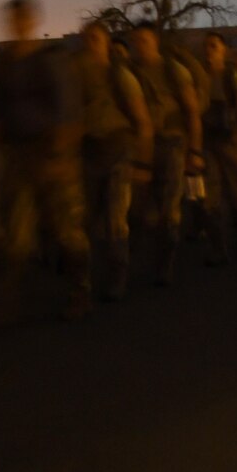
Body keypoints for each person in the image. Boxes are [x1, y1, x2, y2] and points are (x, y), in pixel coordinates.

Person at [0, 0, 89, 321]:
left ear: (33, 21)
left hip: (52, 152)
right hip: (17, 156)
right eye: (12, 19)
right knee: (16, 234)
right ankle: (7, 300)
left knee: (66, 230)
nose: (17, 25)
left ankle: (79, 290)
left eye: (23, 19)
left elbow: (69, 113)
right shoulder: (0, 66)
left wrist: (59, 158)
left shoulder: (50, 61)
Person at [76, 21, 150, 300]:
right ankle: (88, 276)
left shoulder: (119, 75)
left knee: (116, 219)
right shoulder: (80, 78)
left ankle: (119, 275)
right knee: (87, 219)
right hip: (90, 153)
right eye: (86, 39)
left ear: (106, 42)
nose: (89, 44)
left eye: (95, 38)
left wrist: (142, 164)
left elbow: (142, 122)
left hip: (118, 152)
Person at [124, 22, 200, 287]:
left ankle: (164, 263)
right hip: (141, 147)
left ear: (154, 41)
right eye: (135, 41)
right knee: (139, 209)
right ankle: (134, 261)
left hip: (170, 145)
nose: (138, 45)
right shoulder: (130, 71)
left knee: (169, 210)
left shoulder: (172, 70)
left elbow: (191, 111)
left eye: (143, 40)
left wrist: (195, 151)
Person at [197, 32, 237, 262]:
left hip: (232, 143)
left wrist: (235, 139)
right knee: (211, 197)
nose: (209, 50)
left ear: (223, 50)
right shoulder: (200, 78)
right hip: (209, 143)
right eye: (206, 46)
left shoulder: (233, 76)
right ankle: (218, 248)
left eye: (213, 46)